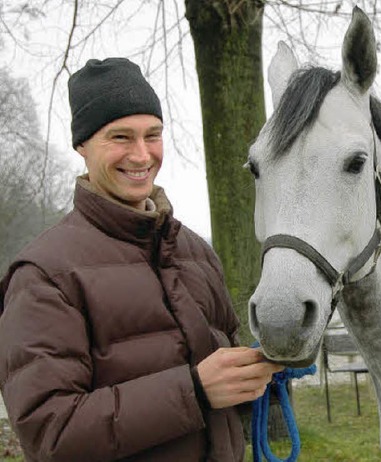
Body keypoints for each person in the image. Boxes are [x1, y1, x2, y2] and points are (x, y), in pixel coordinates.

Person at [0, 57, 283, 462]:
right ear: (82, 145)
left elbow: (224, 398)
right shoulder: (44, 275)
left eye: (153, 135)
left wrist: (257, 375)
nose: (141, 155)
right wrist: (195, 390)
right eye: (120, 137)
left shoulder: (196, 252)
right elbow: (50, 434)